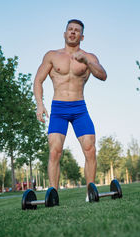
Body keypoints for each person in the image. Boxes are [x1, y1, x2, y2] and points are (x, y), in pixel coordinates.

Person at [33, 19, 107, 200]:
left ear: (82, 36)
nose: (73, 32)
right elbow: (38, 80)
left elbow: (103, 75)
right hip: (58, 109)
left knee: (90, 149)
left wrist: (87, 62)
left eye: (77, 31)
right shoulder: (52, 55)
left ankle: (90, 192)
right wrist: (40, 104)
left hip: (79, 108)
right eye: (70, 29)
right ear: (65, 33)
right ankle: (53, 194)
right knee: (55, 151)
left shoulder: (89, 57)